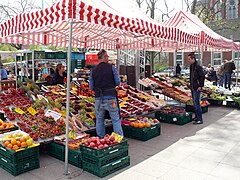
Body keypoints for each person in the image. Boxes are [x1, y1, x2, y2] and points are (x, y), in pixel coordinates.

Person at [89, 49, 123, 138]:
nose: (108, 58)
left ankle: (100, 139)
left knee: (99, 119)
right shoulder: (111, 68)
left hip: (98, 99)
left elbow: (91, 87)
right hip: (111, 97)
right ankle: (118, 139)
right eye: (107, 56)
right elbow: (117, 82)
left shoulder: (93, 70)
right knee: (115, 119)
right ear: (104, 57)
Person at [187, 53, 205, 125]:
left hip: (196, 88)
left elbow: (202, 76)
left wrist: (200, 86)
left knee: (197, 103)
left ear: (193, 59)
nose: (188, 60)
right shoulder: (192, 66)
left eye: (189, 59)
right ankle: (197, 117)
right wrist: (190, 83)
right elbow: (192, 77)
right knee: (194, 103)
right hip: (192, 87)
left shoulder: (198, 67)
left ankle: (200, 119)